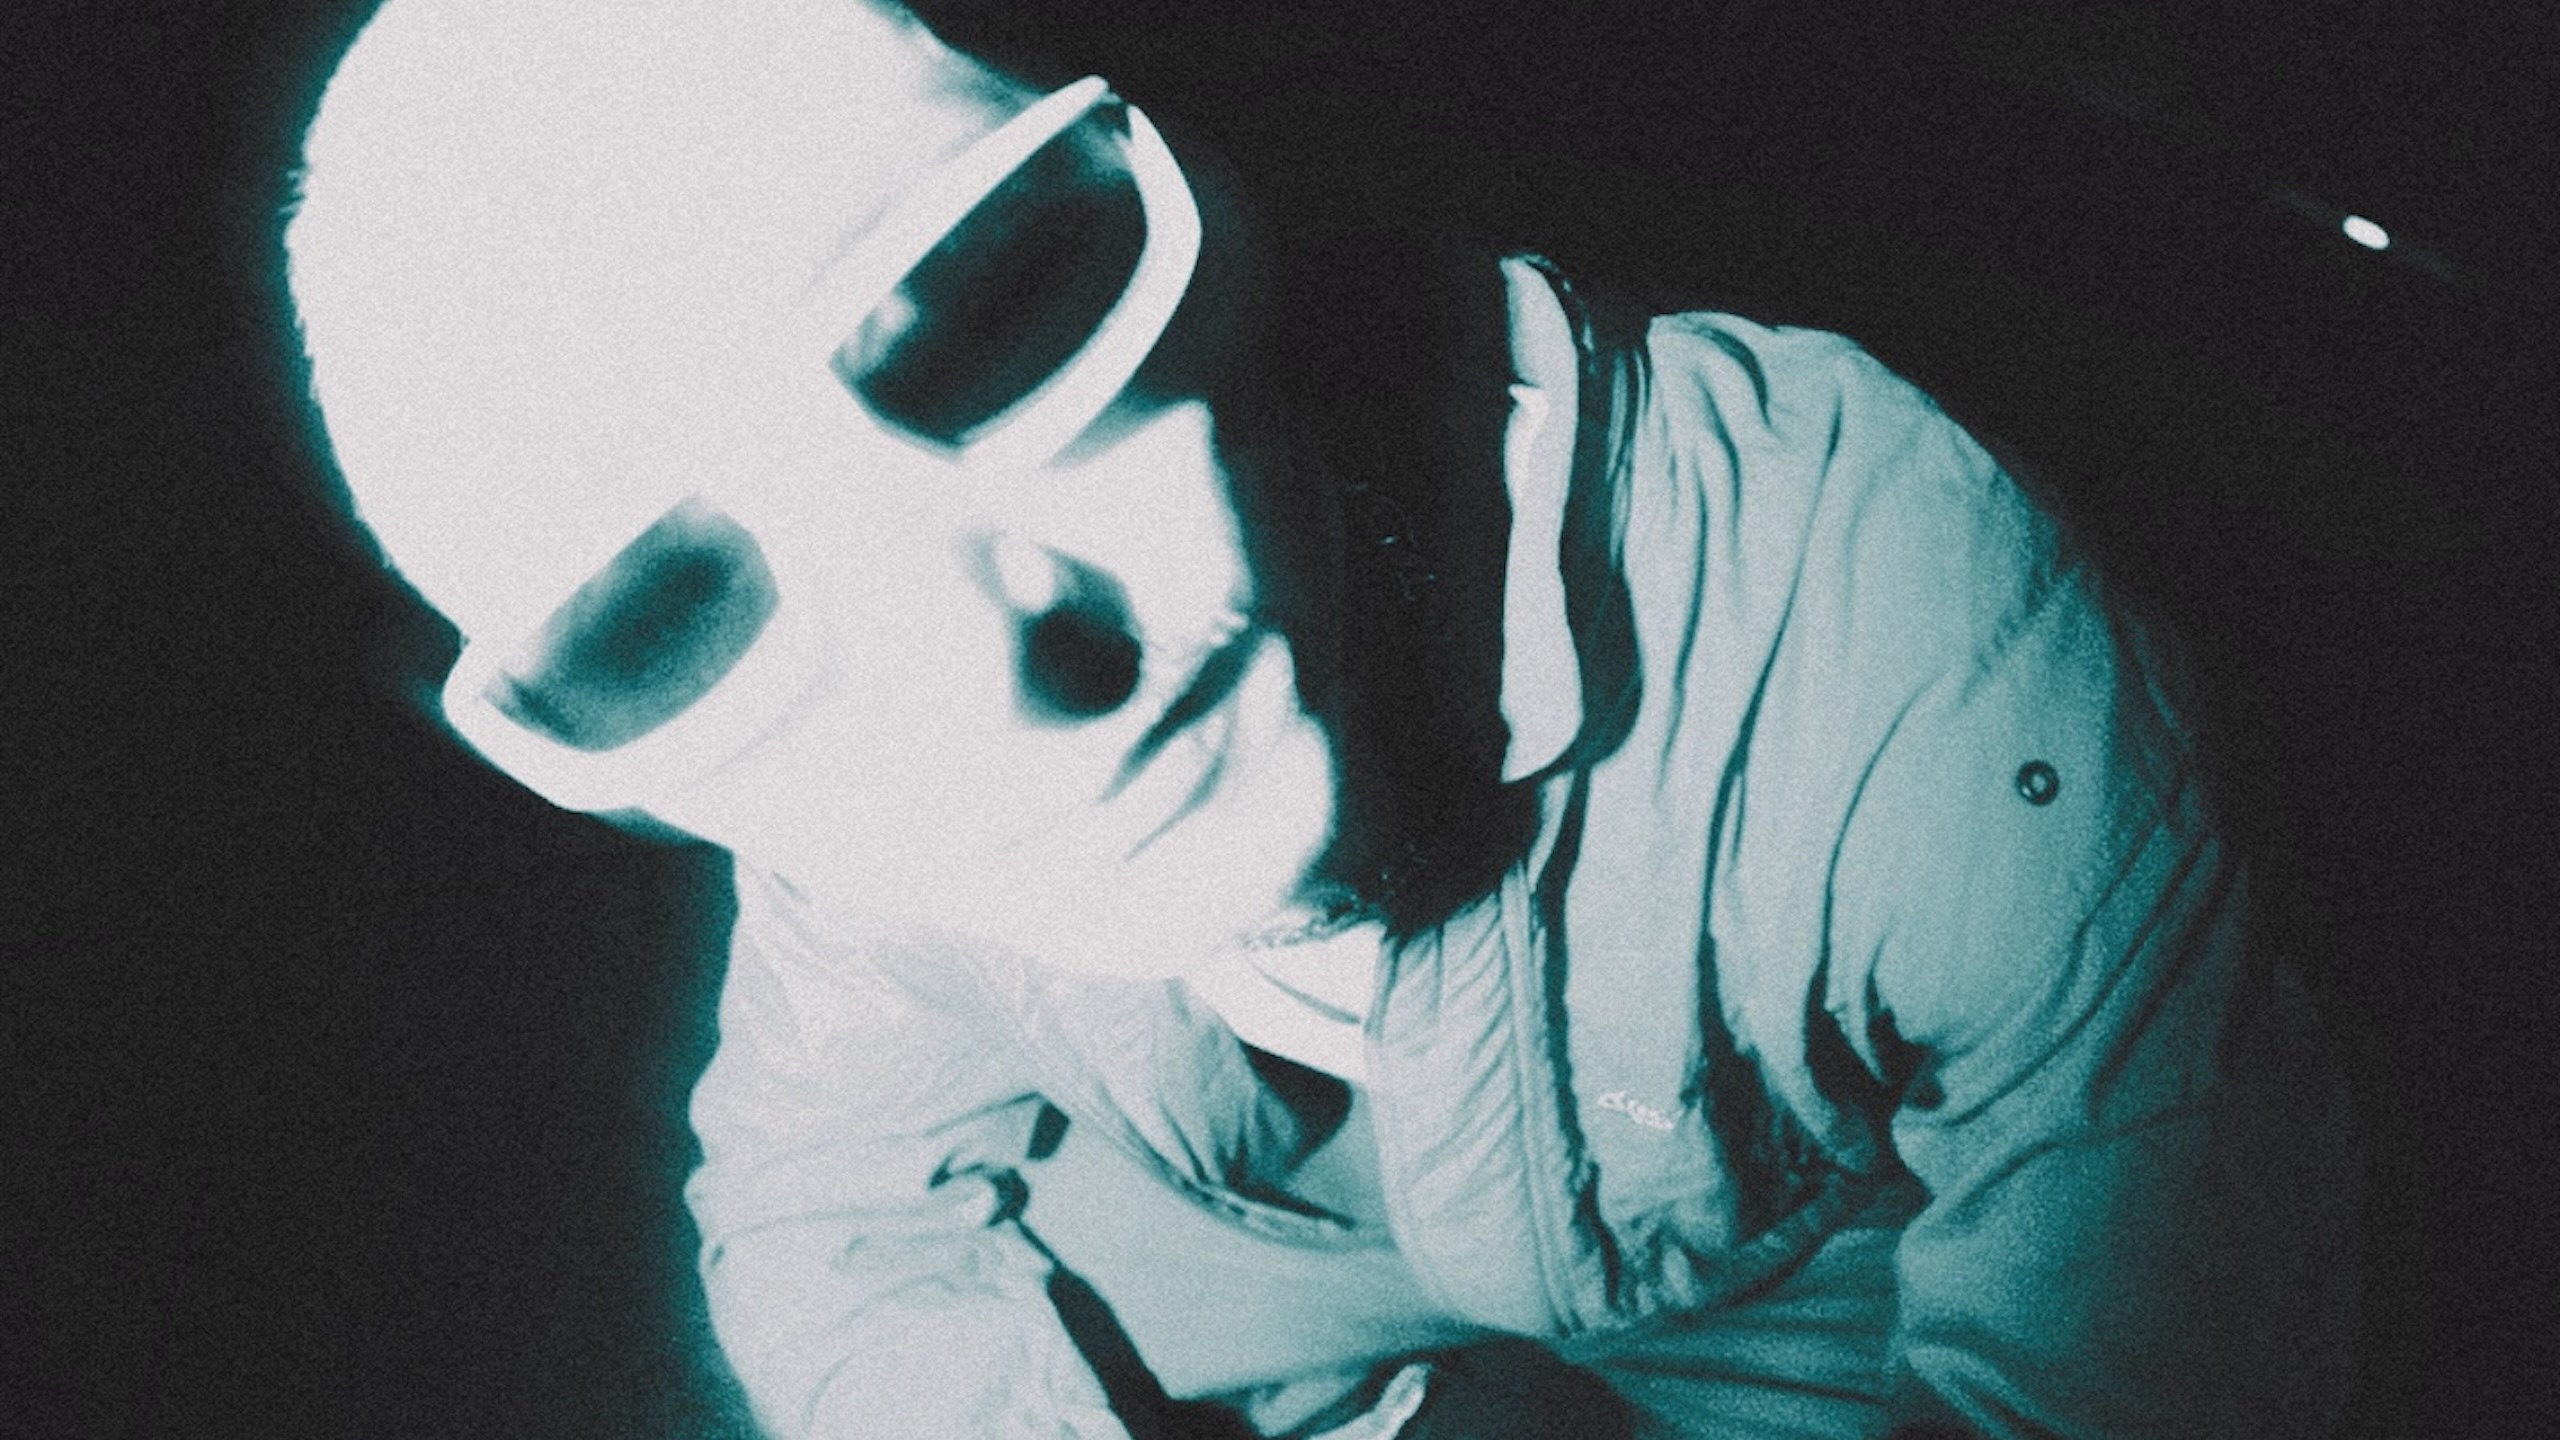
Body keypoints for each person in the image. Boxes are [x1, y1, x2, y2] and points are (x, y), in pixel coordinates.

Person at [283, 1, 2364, 1435]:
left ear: (1196, 219)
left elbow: (2154, 1343)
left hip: (1774, 1280)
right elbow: (833, 1217)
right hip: (1257, 1258)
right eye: (672, 624)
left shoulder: (1884, 604)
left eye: (989, 307)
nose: (991, 656)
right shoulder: (856, 785)